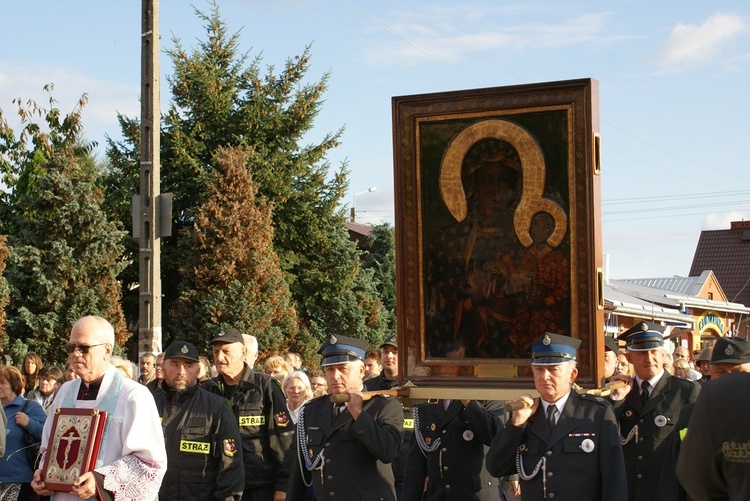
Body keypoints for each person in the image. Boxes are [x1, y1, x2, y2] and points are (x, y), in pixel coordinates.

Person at [31, 315, 167, 501]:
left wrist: (100, 481)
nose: (75, 354)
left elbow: (149, 464)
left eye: (84, 348)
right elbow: (48, 448)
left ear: (107, 350)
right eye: (72, 347)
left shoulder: (133, 396)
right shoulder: (64, 392)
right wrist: (43, 473)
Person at [486, 332, 627, 500]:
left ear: (572, 374)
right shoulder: (526, 414)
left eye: (553, 369)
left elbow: (614, 480)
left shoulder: (596, 413)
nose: (545, 376)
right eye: (539, 369)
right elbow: (496, 467)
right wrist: (515, 426)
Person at [287, 334, 404, 500]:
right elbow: (299, 472)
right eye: (329, 370)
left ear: (361, 371)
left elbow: (388, 451)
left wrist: (358, 413)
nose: (335, 376)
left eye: (343, 369)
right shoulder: (311, 410)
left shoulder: (384, 405)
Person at [608, 321, 700, 501]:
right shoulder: (620, 392)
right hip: (628, 493)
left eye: (654, 352)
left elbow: (694, 454)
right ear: (629, 358)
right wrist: (618, 399)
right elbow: (608, 438)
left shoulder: (686, 392)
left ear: (663, 354)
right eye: (642, 353)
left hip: (668, 493)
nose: (649, 359)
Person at [202, 327, 294, 501]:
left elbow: (284, 439)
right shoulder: (207, 390)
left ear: (243, 353)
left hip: (258, 487)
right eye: (216, 352)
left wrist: (283, 486)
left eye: (226, 351)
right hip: (219, 486)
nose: (219, 357)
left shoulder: (265, 386)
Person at [152, 340, 244, 501]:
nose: (181, 371)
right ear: (163, 367)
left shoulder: (217, 408)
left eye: (188, 365)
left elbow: (230, 468)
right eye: (174, 364)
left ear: (197, 370)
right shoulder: (146, 403)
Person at [403, 398, 502, 500]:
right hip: (439, 495)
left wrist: (468, 402)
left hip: (476, 494)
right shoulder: (430, 399)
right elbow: (415, 463)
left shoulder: (488, 394)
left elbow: (495, 437)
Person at [676, 371, 750, 500]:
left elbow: (694, 476)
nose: (729, 374)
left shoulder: (716, 393)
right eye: (721, 370)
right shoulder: (716, 395)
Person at [364, 334, 412, 499]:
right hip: (377, 472)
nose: (389, 356)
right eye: (385, 351)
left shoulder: (417, 389)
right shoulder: (368, 388)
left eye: (395, 352)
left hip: (409, 472)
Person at [0, 366, 47, 500]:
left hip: (21, 483)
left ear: (14, 385)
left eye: (2, 383)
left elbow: (48, 435)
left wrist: (29, 423)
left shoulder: (29, 406)